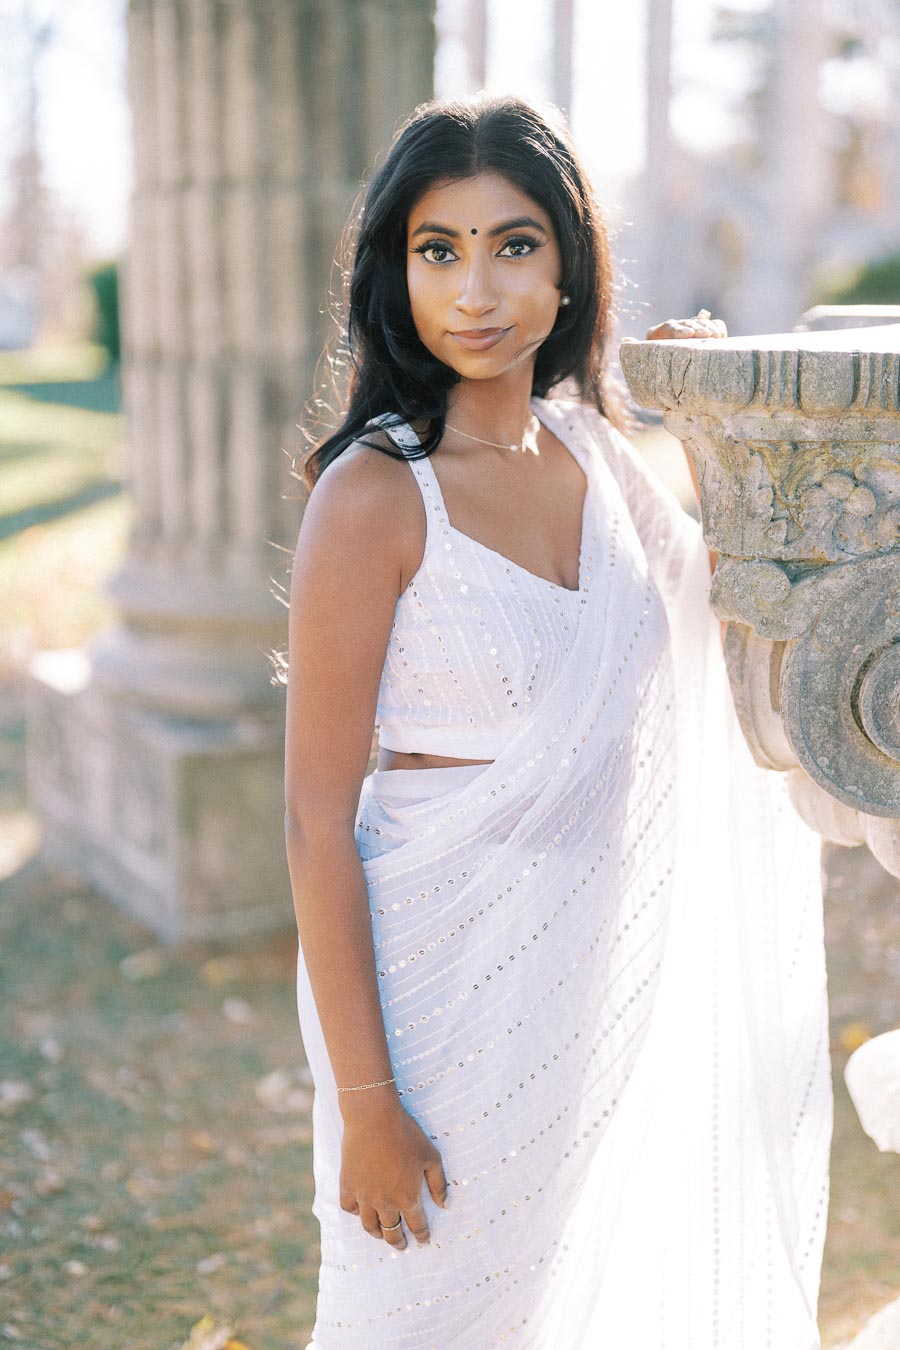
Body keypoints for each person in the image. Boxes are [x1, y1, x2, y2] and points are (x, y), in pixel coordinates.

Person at [283, 95, 831, 1349]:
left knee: (570, 1301)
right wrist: (368, 1103)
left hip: (593, 973)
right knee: (421, 1315)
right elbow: (317, 819)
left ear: (572, 264)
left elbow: (730, 611)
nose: (476, 290)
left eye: (515, 245)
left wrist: (698, 415)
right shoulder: (374, 493)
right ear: (395, 269)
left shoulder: (603, 462)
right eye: (439, 250)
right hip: (431, 993)